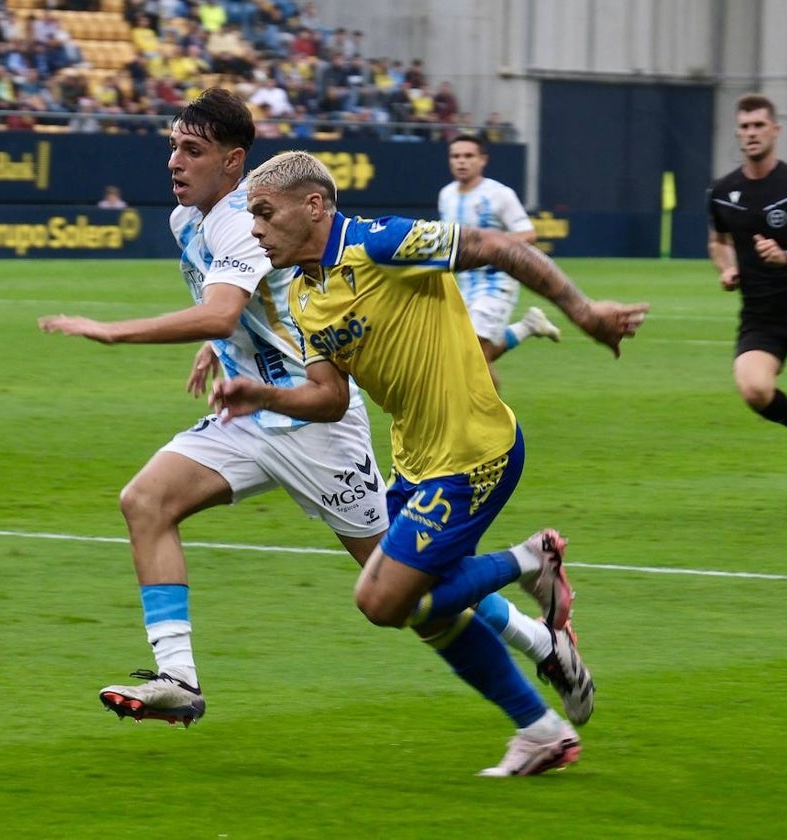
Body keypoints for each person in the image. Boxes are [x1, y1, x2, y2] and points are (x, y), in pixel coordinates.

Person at [38, 90, 595, 758]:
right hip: (253, 410)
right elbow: (240, 312)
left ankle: (539, 655)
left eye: (191, 149)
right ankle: (179, 679)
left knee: (408, 597)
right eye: (172, 147)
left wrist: (112, 331)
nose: (174, 162)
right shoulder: (193, 222)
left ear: (232, 161)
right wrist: (221, 349)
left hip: (316, 431)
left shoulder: (246, 221)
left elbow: (223, 309)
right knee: (146, 501)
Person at [212, 150, 648, 775]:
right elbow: (331, 399)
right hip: (416, 462)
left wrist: (583, 312)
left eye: (263, 212)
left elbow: (497, 246)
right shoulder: (304, 296)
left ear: (313, 206)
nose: (254, 228)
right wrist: (264, 395)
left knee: (383, 602)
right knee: (421, 612)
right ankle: (540, 729)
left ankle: (529, 561)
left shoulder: (381, 243)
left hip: (475, 451)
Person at [439, 133, 561, 389]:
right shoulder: (447, 195)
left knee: (476, 356)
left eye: (468, 156)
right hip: (463, 286)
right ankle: (528, 326)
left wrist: (491, 247)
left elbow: (528, 234)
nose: (462, 161)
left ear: (483, 160)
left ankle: (494, 422)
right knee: (466, 356)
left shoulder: (499, 195)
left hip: (497, 283)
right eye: (456, 156)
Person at [707, 92, 787, 428]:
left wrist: (785, 257)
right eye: (745, 127)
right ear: (738, 133)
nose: (751, 132)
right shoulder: (724, 192)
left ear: (775, 130)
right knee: (754, 388)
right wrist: (727, 268)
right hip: (762, 315)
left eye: (759, 125)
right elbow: (718, 240)